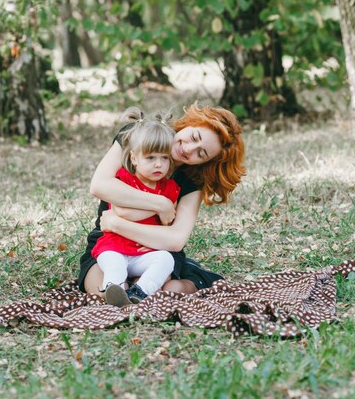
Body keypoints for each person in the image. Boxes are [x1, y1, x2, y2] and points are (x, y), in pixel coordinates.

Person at [78, 102, 246, 297]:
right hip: (109, 242)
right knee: (107, 293)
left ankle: (184, 278)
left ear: (205, 162)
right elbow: (100, 185)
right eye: (193, 137)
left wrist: (116, 223)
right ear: (190, 123)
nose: (189, 149)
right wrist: (162, 204)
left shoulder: (193, 179)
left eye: (201, 153)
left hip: (155, 248)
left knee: (147, 293)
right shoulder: (138, 135)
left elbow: (175, 240)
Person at [93, 107, 180, 306]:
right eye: (150, 158)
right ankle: (113, 292)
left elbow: (168, 219)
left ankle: (140, 292)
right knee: (115, 267)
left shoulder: (170, 188)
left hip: (144, 252)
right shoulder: (123, 180)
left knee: (166, 260)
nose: (158, 164)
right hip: (114, 247)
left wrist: (165, 208)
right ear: (134, 158)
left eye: (164, 158)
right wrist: (161, 205)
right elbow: (124, 212)